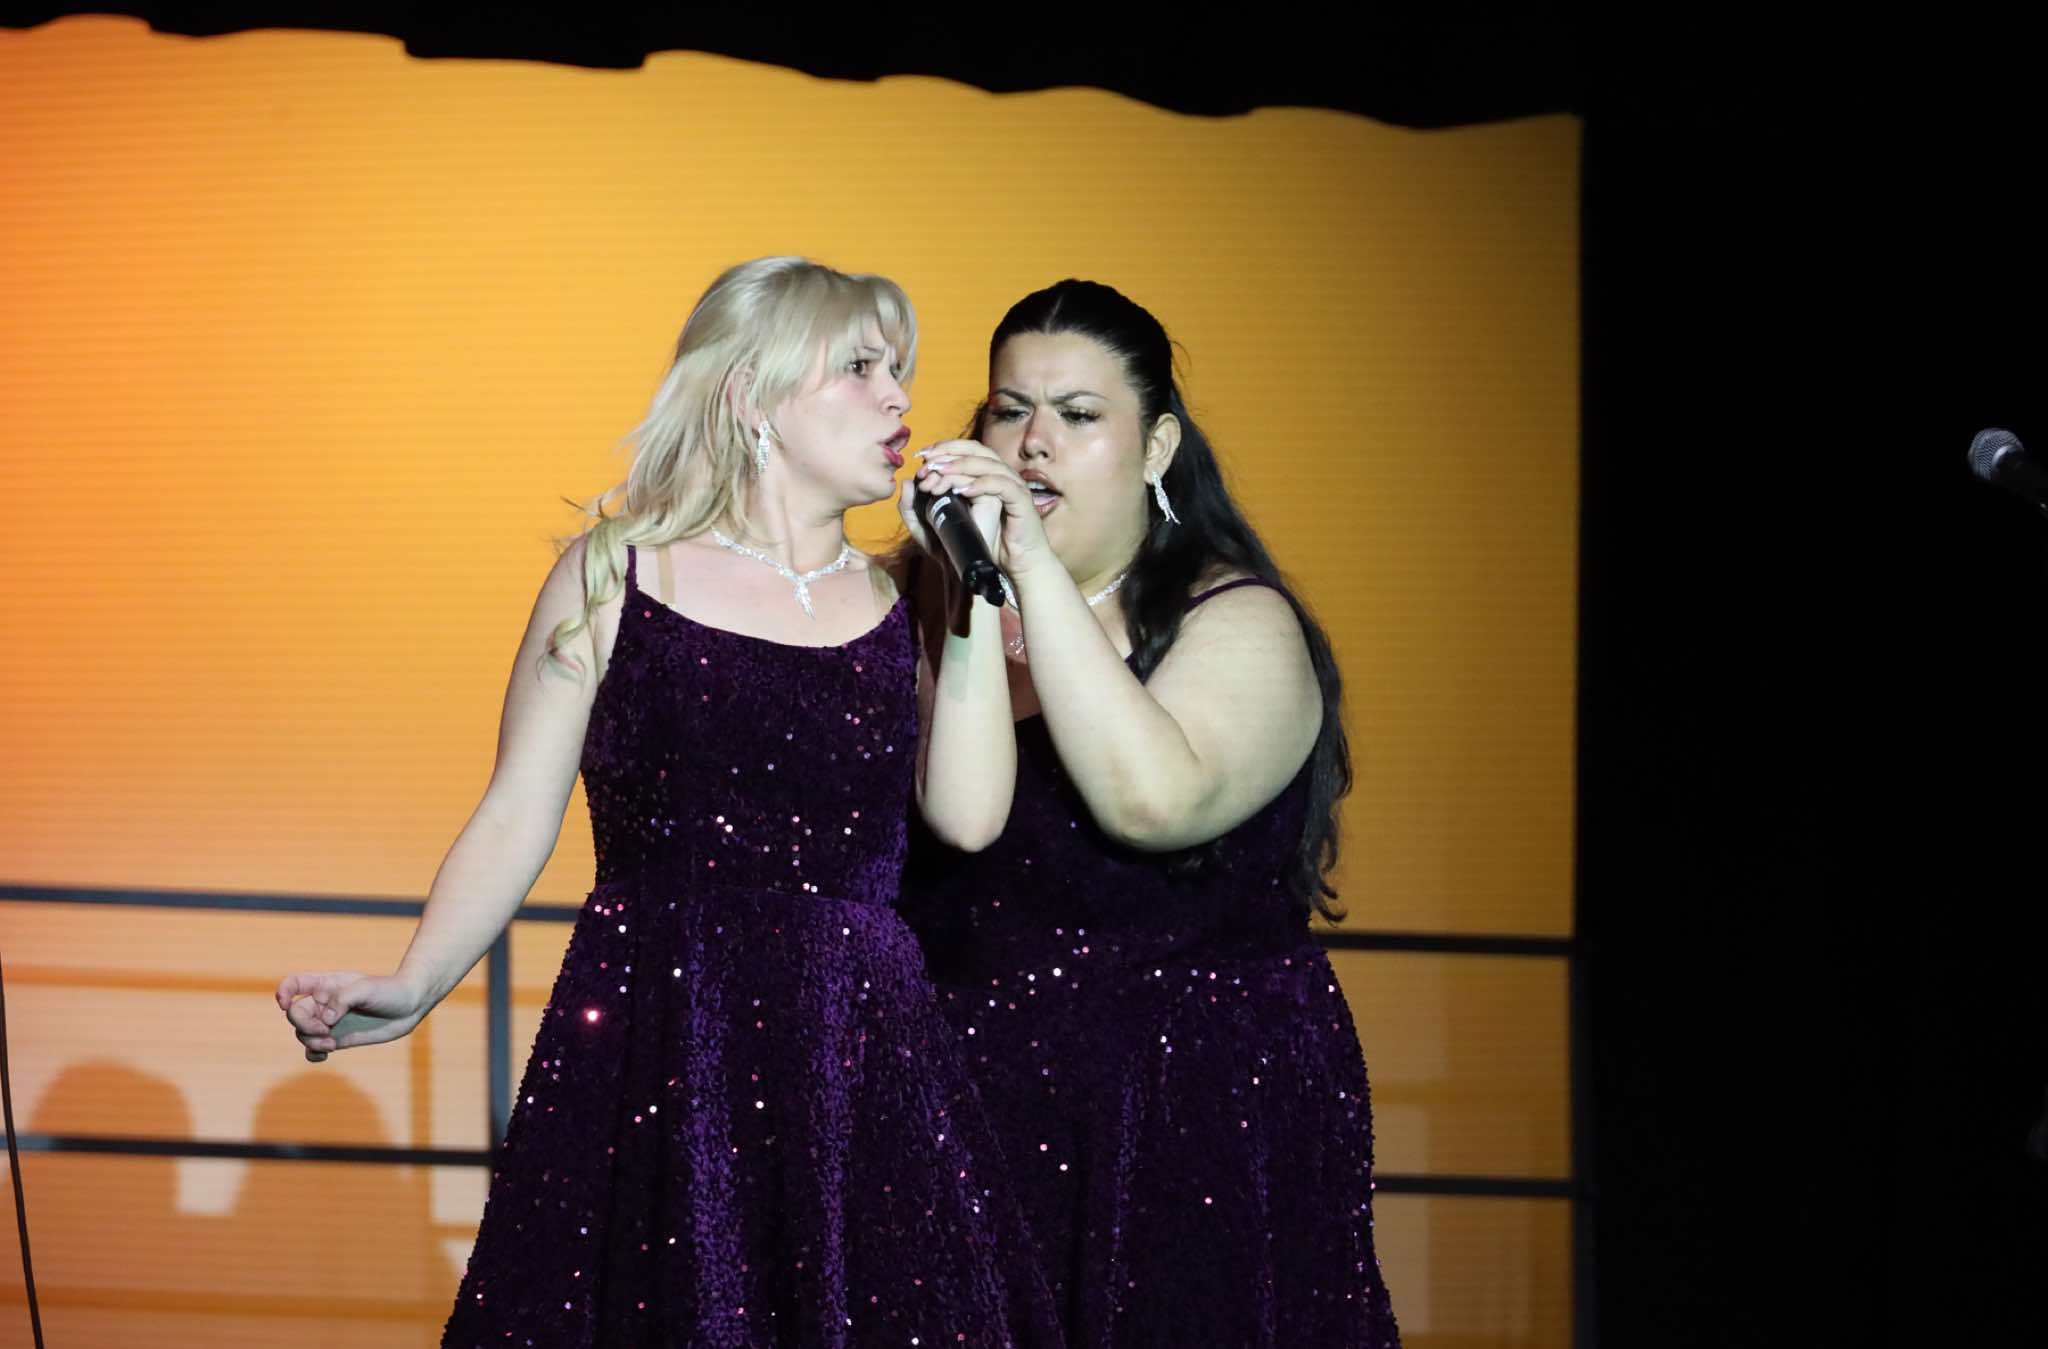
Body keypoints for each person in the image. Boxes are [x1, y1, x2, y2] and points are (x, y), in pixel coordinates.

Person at [275, 256, 1060, 1348]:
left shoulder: (894, 601)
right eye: (860, 367)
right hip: (664, 1032)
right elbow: (516, 810)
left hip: (856, 1049)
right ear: (749, 392)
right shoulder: (619, 573)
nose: (899, 400)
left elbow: (968, 818)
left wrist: (975, 592)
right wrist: (417, 980)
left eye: (901, 372)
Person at [897, 280, 1402, 1346]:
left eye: (1077, 415)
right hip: (965, 1112)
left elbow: (1153, 799)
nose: (1032, 444)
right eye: (1007, 410)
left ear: (1157, 446)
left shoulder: (1236, 618)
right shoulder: (932, 606)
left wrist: (1026, 565)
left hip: (1190, 1120)